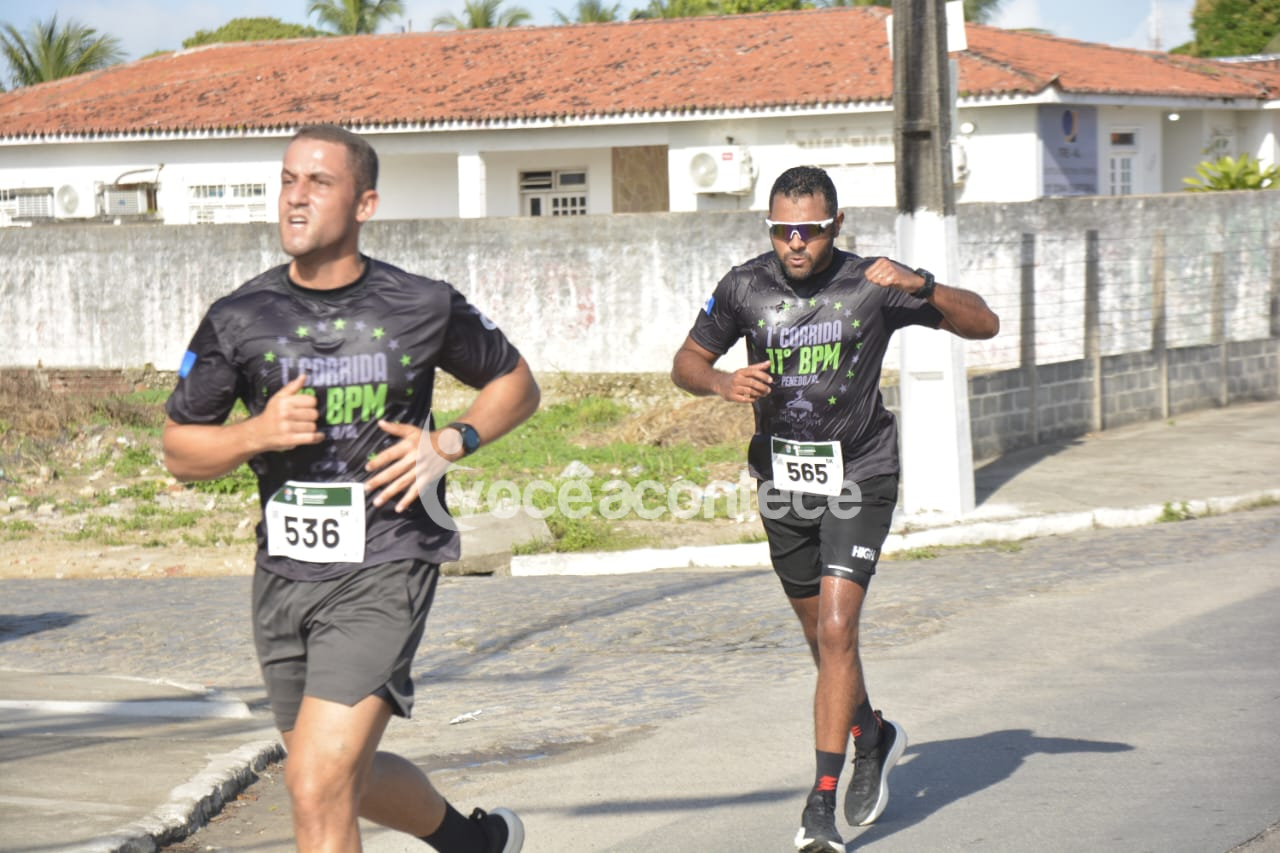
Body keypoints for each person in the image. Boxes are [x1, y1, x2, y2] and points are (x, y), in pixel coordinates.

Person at [162, 124, 539, 853]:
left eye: (318, 182)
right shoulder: (239, 317)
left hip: (388, 560)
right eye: (287, 180)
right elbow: (180, 450)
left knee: (316, 781)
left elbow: (515, 383)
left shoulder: (420, 303)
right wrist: (254, 433)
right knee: (336, 776)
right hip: (285, 573)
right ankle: (472, 844)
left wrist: (449, 442)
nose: (295, 198)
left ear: (364, 204)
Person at [671, 166, 998, 853]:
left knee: (838, 627)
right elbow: (687, 362)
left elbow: (983, 324)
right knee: (822, 637)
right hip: (783, 481)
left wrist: (924, 284)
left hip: (860, 474)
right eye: (782, 230)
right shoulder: (744, 286)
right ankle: (871, 735)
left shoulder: (872, 284)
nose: (796, 243)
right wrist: (722, 381)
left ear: (836, 225)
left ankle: (820, 805)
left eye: (811, 230)